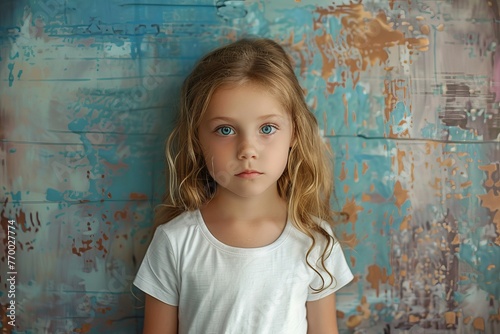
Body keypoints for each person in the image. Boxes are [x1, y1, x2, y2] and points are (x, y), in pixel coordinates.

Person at [133, 37, 354, 334]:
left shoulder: (315, 241)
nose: (247, 149)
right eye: (225, 129)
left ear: (295, 134)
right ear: (197, 141)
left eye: (267, 129)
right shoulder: (175, 242)